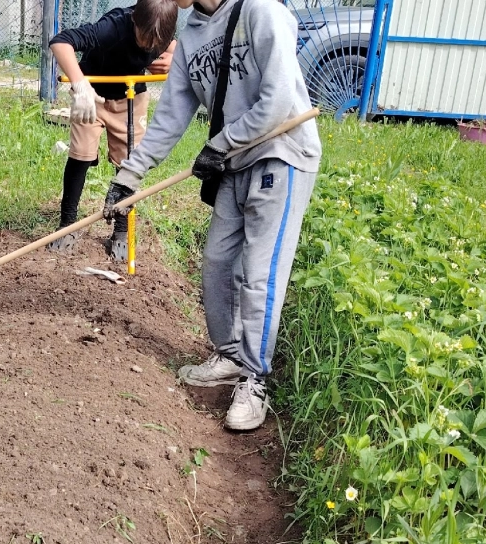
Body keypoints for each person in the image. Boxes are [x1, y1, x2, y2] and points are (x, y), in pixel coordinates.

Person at [101, 0, 321, 431]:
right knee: (218, 264)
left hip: (281, 154)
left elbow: (277, 100)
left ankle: (255, 379)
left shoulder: (262, 11)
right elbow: (169, 118)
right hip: (234, 163)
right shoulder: (193, 34)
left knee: (259, 273)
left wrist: (222, 143)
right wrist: (129, 176)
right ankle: (229, 355)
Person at [45, 0, 179, 256]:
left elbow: (179, 51)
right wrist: (80, 84)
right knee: (80, 155)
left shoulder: (162, 33)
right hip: (92, 97)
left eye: (157, 43)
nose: (149, 47)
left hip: (130, 98)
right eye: (144, 39)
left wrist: (172, 60)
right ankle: (67, 224)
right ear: (134, 21)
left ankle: (120, 231)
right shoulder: (113, 27)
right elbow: (61, 41)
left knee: (129, 164)